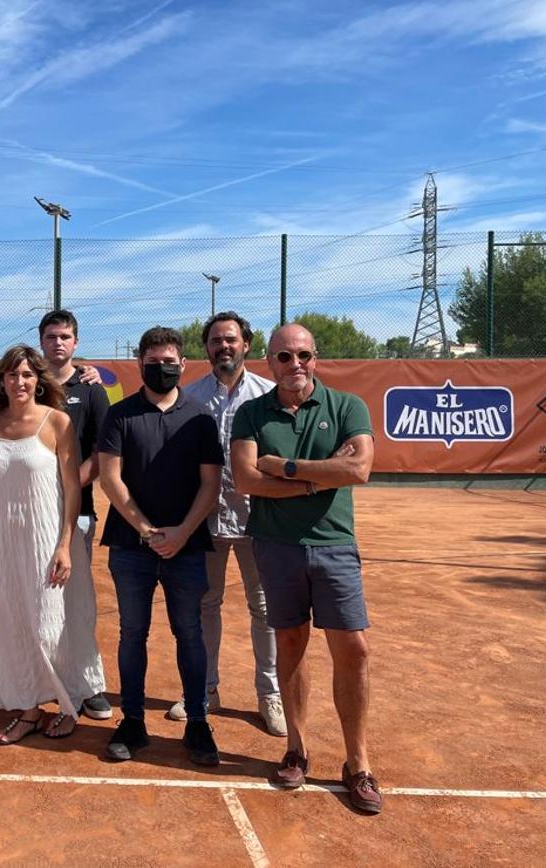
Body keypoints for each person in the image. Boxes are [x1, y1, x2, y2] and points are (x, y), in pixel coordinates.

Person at [230, 323, 382, 813]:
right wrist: (322, 475)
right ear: (269, 362)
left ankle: (358, 764)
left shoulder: (347, 406)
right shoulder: (252, 412)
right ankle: (295, 748)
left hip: (335, 545)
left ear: (315, 358)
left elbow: (359, 469)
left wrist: (289, 468)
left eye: (303, 356)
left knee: (353, 649)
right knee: (291, 643)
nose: (295, 365)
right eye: (284, 357)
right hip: (276, 546)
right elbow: (248, 479)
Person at [97, 326, 222, 766]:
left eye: (170, 363)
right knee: (132, 633)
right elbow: (110, 478)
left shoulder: (201, 418)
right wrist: (148, 531)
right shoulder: (121, 415)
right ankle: (133, 721)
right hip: (131, 547)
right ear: (140, 365)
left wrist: (182, 532)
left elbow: (211, 484)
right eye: (153, 364)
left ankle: (198, 722)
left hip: (186, 548)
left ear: (183, 365)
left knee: (189, 632)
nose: (162, 370)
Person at [167, 311, 285, 738]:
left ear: (247, 345)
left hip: (262, 521)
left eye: (231, 340)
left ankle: (269, 694)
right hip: (207, 521)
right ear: (207, 348)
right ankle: (204, 691)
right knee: (204, 608)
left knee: (266, 609)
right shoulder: (191, 397)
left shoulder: (268, 393)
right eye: (216, 341)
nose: (224, 347)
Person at [0, 344, 96, 744]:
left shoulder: (58, 422)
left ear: (38, 380)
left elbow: (72, 490)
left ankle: (69, 706)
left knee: (52, 626)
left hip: (47, 537)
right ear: (2, 381)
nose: (20, 382)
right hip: (1, 542)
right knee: (14, 624)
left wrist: (65, 544)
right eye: (12, 375)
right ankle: (30, 710)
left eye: (27, 374)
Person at [38, 309, 110, 721]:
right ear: (42, 341)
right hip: (32, 514)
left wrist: (64, 492)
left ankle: (87, 684)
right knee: (39, 601)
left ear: (76, 343)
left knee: (77, 601)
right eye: (51, 336)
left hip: (76, 514)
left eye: (65, 336)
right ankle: (45, 678)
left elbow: (100, 456)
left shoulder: (91, 389)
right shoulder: (29, 385)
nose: (58, 343)